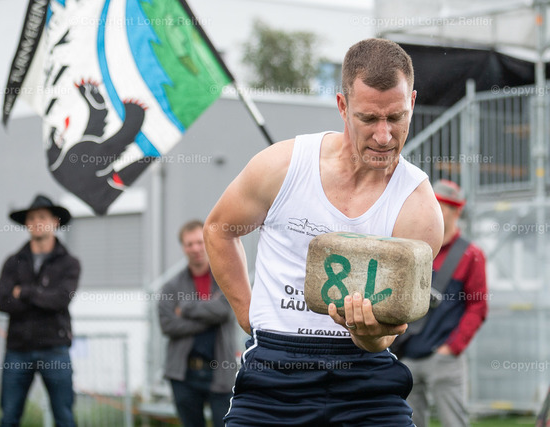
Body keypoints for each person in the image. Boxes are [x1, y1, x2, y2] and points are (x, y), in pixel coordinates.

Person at [204, 38, 444, 426]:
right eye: (369, 119)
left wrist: (368, 334)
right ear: (343, 106)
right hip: (274, 374)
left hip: (365, 377)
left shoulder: (418, 206)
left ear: (412, 103)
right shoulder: (283, 166)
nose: (384, 135)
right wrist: (249, 314)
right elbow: (219, 230)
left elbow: (386, 335)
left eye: (396, 117)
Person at [398, 180, 488, 427]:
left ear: (457, 211)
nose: (433, 210)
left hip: (443, 358)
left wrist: (452, 348)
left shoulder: (471, 255)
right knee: (408, 423)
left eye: (441, 205)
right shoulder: (413, 248)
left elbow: (478, 307)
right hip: (407, 354)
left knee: (453, 422)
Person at [0, 195, 79, 427]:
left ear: (55, 221)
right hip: (18, 348)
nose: (36, 222)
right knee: (9, 416)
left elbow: (60, 300)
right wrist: (42, 296)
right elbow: (4, 303)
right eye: (32, 218)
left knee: (64, 416)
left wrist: (23, 292)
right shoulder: (13, 262)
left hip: (55, 347)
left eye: (42, 217)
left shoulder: (69, 263)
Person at [158, 220, 236, 427]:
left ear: (208, 243)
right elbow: (168, 325)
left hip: (220, 370)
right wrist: (210, 319)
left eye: (200, 242)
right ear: (183, 247)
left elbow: (224, 311)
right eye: (189, 244)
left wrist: (185, 308)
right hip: (184, 374)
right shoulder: (171, 287)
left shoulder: (225, 279)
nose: (195, 248)